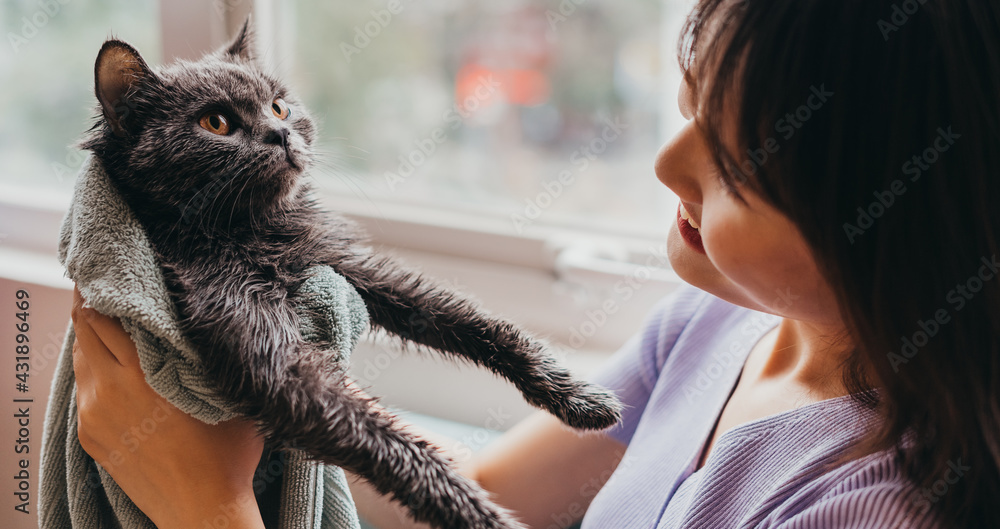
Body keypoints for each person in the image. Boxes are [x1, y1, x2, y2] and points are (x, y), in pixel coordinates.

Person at [69, 0, 999, 527]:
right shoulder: (718, 327)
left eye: (741, 161)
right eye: (690, 107)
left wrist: (207, 506)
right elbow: (478, 505)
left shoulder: (877, 505)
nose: (667, 164)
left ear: (900, 222)